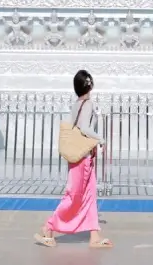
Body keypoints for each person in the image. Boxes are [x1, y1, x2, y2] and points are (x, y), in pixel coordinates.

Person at [34, 70, 113, 249]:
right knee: (74, 196)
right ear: (90, 84)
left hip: (80, 156)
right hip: (83, 158)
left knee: (89, 195)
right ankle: (48, 228)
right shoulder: (89, 104)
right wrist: (101, 139)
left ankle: (94, 236)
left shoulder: (76, 104)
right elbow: (84, 127)